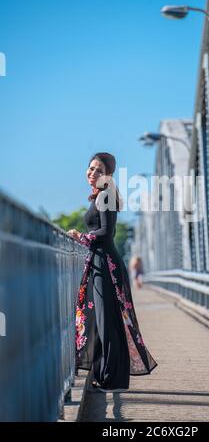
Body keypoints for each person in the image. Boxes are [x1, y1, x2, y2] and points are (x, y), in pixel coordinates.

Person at [67, 152, 158, 392]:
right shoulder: (101, 195)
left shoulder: (105, 195)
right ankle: (106, 375)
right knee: (105, 321)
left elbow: (106, 233)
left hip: (105, 265)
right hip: (100, 263)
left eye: (98, 170)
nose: (92, 173)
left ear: (107, 175)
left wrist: (81, 236)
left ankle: (111, 377)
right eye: (90, 168)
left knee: (107, 323)